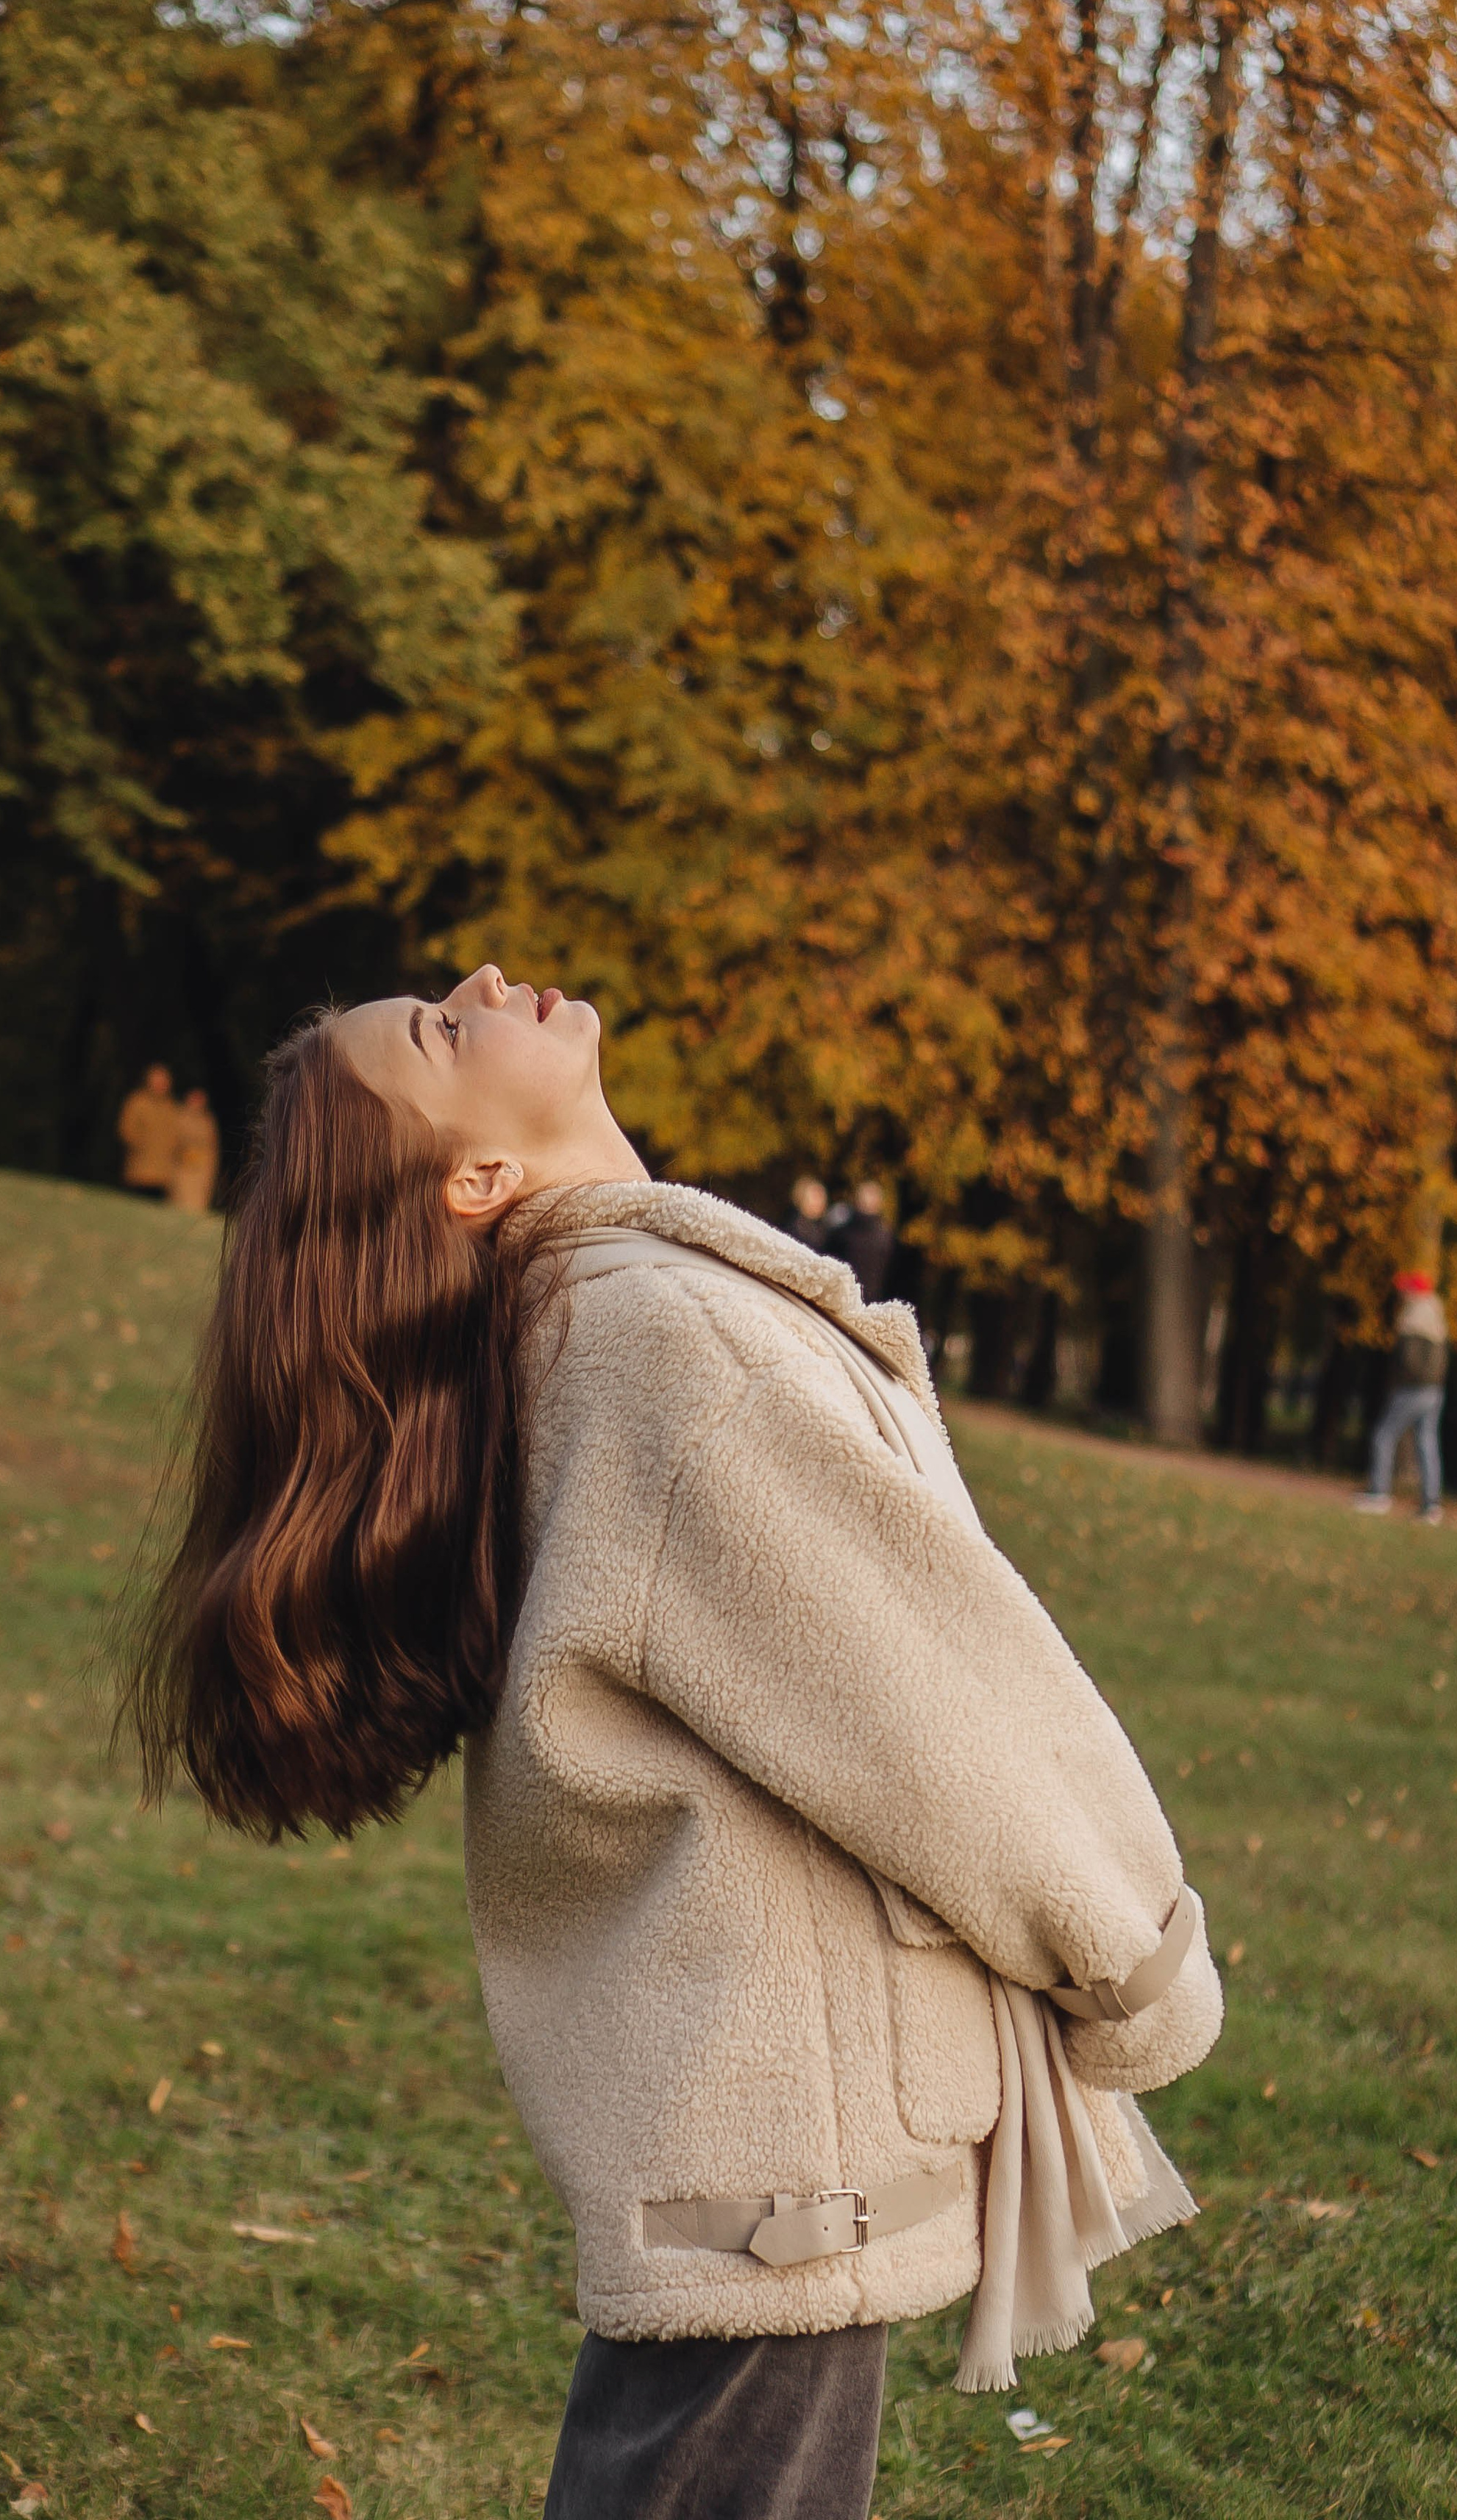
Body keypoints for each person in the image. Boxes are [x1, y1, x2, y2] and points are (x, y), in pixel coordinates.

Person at [119, 964, 1222, 2518]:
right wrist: (1139, 1966)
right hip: (778, 2125)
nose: (482, 983)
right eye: (442, 1029)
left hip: (738, 2107)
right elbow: (932, 1704)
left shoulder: (604, 1330)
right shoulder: (662, 1340)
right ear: (475, 1181)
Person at [1353, 1270, 1449, 1524]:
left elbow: (1407, 1361)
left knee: (1383, 1435)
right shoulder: (1437, 1318)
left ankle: (1378, 1494)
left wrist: (1398, 1380)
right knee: (1427, 1443)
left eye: (1406, 1290)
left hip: (1413, 1390)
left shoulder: (1413, 1318)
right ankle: (1431, 1505)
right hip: (1435, 1391)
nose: (1402, 1294)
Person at [117, 1064, 180, 1201]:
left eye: (164, 1081)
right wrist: (139, 1145)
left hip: (163, 1174)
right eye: (156, 1080)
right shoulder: (138, 1102)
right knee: (134, 1203)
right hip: (139, 1170)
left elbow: (177, 1135)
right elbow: (126, 1129)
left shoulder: (171, 1107)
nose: (160, 1084)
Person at [830, 1179, 897, 1304]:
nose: (867, 1201)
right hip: (843, 1296)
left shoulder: (885, 1236)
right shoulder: (843, 1233)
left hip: (871, 1300)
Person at [168, 1088, 221, 1214]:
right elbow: (171, 1141)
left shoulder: (207, 1121)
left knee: (196, 1204)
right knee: (180, 1202)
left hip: (200, 1170)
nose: (197, 1103)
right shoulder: (179, 1116)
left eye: (200, 1100)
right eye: (194, 1099)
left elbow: (212, 1147)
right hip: (182, 1168)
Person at [788, 1174, 832, 1251]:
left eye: (822, 1196)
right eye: (815, 1197)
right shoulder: (793, 1231)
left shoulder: (827, 1230)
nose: (821, 1202)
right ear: (801, 1199)